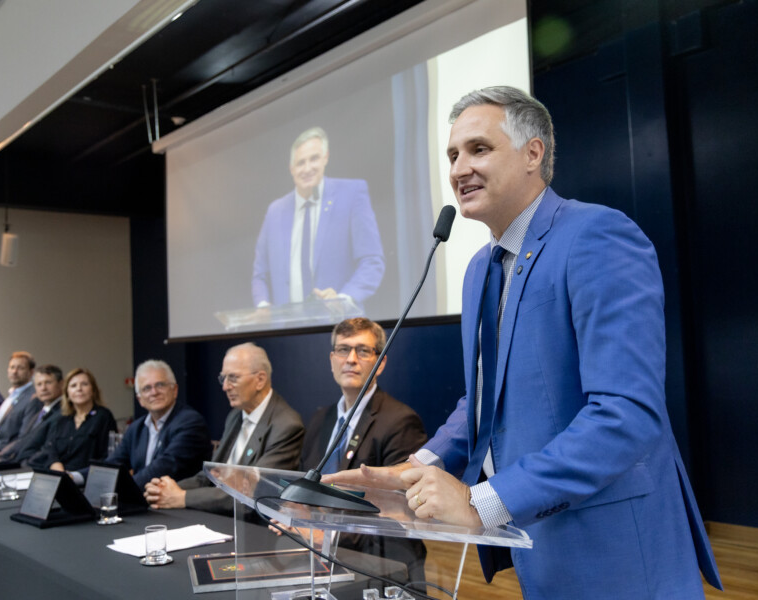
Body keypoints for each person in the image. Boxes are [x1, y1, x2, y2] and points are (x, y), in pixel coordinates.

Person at [326, 86, 722, 598]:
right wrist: (415, 468)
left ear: (533, 153)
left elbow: (625, 415)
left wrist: (482, 502)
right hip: (538, 545)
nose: (459, 168)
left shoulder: (597, 235)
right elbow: (483, 402)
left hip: (615, 550)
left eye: (479, 149)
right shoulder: (477, 269)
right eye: (452, 155)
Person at [299, 317, 427, 582]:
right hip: (317, 560)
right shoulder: (319, 420)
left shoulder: (400, 421)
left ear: (381, 362)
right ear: (332, 359)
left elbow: (398, 514)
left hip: (381, 569)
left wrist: (326, 535)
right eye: (343, 349)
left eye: (363, 351)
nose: (351, 359)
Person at [143, 343, 304, 515]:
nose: (225, 387)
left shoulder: (286, 426)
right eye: (223, 378)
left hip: (253, 525)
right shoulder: (235, 416)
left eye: (233, 378)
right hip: (217, 514)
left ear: (260, 380)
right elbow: (212, 476)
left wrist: (182, 497)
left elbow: (253, 495)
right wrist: (164, 490)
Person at [252, 127, 384, 307]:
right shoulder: (275, 211)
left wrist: (343, 299)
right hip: (287, 323)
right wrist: (262, 305)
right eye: (301, 162)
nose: (307, 168)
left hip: (340, 321)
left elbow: (372, 261)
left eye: (313, 159)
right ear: (291, 168)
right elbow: (260, 274)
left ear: (325, 158)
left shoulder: (352, 194)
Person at [76, 360, 212, 488]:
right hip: (144, 498)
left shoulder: (190, 422)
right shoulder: (136, 428)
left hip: (178, 501)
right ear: (140, 399)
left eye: (160, 385)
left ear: (174, 390)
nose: (154, 392)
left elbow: (163, 468)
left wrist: (122, 491)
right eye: (146, 388)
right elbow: (113, 463)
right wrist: (75, 477)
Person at [27, 367, 116, 472]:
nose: (79, 389)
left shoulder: (103, 416)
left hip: (87, 476)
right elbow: (51, 450)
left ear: (93, 390)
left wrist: (75, 476)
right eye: (73, 386)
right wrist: (60, 470)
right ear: (67, 393)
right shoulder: (61, 419)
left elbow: (107, 456)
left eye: (84, 384)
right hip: (59, 474)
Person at [0, 364, 64, 463]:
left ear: (61, 384)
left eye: (48, 383)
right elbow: (25, 440)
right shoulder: (40, 412)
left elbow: (47, 448)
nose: (43, 388)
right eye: (39, 384)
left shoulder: (63, 412)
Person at [0, 351, 37, 454]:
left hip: (8, 456)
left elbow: (24, 437)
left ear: (31, 372)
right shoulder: (10, 396)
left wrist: (1, 453)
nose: (14, 371)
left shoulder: (33, 398)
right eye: (12, 367)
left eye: (20, 368)